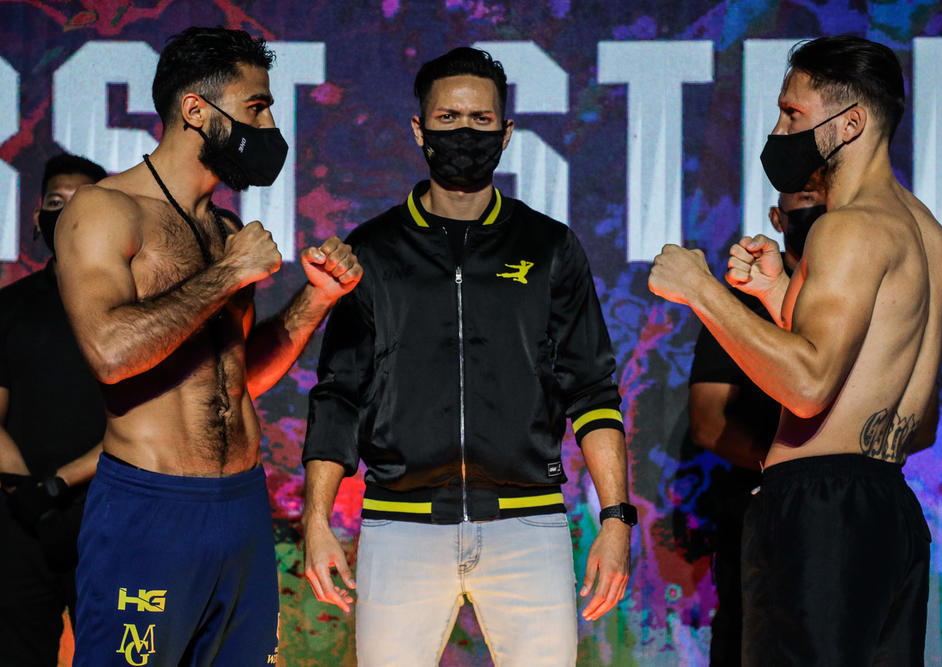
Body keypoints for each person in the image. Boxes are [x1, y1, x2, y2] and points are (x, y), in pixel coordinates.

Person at [301, 47, 633, 666]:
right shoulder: (371, 250)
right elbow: (339, 393)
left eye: (481, 120)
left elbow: (592, 390)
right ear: (419, 129)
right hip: (400, 527)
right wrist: (316, 519)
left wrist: (615, 519)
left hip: (529, 526)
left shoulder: (548, 246)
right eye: (448, 119)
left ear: (505, 133)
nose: (464, 133)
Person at [649, 35, 942, 666]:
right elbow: (893, 396)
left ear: (851, 123)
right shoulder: (933, 238)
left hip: (820, 514)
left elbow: (810, 386)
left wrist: (701, 290)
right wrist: (775, 294)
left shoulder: (848, 226)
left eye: (792, 114)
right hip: (889, 509)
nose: (778, 132)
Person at [54, 27, 362, 666]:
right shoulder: (104, 210)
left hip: (240, 507)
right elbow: (110, 353)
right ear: (196, 110)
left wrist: (317, 299)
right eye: (257, 108)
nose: (270, 126)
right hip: (150, 509)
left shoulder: (224, 227)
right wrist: (227, 274)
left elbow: (238, 377)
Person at [688, 186, 826, 666]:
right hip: (761, 511)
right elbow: (708, 421)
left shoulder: (863, 291)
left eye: (827, 196)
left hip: (848, 507)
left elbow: (918, 421)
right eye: (805, 197)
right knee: (753, 639)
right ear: (776, 216)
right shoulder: (744, 298)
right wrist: (795, 471)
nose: (818, 210)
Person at [0, 153, 107, 666]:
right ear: (37, 217)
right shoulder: (10, 306)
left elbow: (149, 422)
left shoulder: (135, 307)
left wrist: (61, 484)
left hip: (109, 518)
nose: (65, 213)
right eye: (55, 202)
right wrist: (33, 501)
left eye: (81, 202)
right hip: (21, 523)